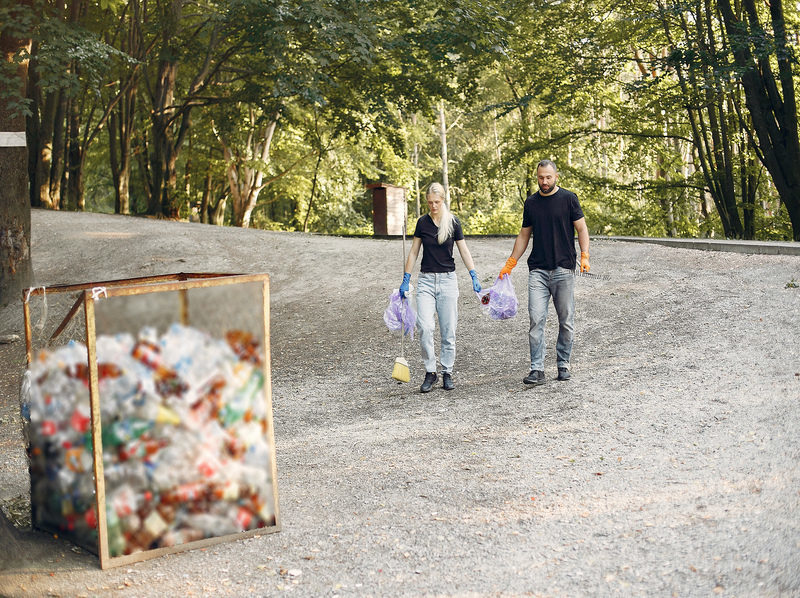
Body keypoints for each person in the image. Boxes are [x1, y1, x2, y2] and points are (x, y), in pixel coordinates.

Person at [499, 159, 590, 385]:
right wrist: (511, 262)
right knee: (536, 319)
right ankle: (537, 370)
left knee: (566, 320)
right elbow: (524, 235)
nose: (545, 181)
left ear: (556, 176)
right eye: (541, 177)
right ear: (537, 177)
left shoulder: (569, 199)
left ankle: (563, 364)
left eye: (548, 177)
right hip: (538, 271)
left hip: (563, 269)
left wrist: (585, 255)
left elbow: (581, 228)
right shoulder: (531, 203)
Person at [399, 182, 481, 393]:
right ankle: (430, 372)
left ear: (443, 200)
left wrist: (473, 275)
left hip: (447, 281)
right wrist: (406, 278)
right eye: (430, 202)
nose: (433, 206)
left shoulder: (453, 222)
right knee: (425, 327)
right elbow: (414, 252)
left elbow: (463, 250)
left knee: (448, 329)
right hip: (426, 280)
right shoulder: (422, 223)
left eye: (437, 202)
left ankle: (447, 372)